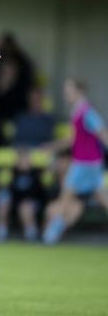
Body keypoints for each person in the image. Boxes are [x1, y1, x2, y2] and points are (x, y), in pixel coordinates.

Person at [42, 79, 108, 244]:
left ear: (79, 91)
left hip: (86, 162)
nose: (66, 93)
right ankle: (52, 233)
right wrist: (52, 147)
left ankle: (51, 235)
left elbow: (102, 132)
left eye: (69, 89)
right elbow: (73, 139)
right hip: (88, 162)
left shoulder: (86, 112)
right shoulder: (78, 111)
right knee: (101, 197)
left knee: (67, 194)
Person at [0, 148, 46, 242]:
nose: (24, 162)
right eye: (21, 159)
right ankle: (0, 232)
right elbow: (9, 191)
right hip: (16, 202)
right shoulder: (12, 173)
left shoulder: (36, 174)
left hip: (32, 203)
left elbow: (39, 193)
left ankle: (31, 234)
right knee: (3, 202)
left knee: (26, 207)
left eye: (26, 159)